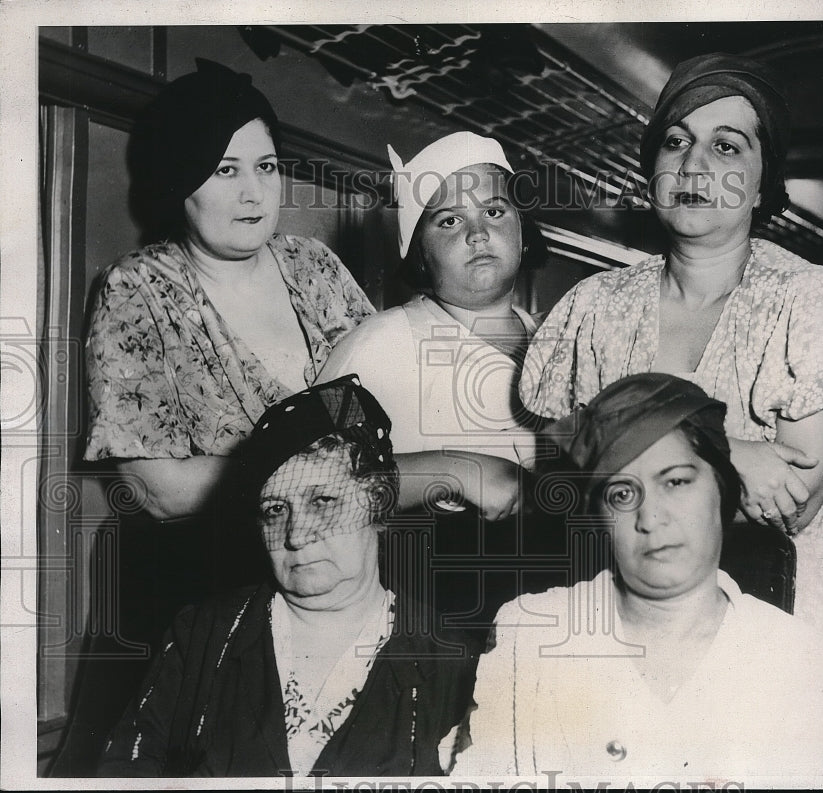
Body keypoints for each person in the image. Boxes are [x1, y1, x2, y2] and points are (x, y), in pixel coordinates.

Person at [518, 53, 823, 774]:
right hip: (628, 614)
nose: (697, 163)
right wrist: (736, 451)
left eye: (729, 145)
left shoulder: (813, 299)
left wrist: (632, 443)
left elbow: (789, 502)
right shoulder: (594, 306)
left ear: (763, 182)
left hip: (786, 614)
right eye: (676, 140)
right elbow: (560, 459)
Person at [60, 59, 377, 776]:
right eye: (225, 169)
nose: (253, 191)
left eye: (265, 166)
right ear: (181, 178)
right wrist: (307, 474)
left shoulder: (316, 268)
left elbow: (390, 417)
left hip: (326, 580)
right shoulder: (139, 286)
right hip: (192, 590)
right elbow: (160, 490)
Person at [453, 374, 823, 778]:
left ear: (722, 489)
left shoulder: (793, 656)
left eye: (675, 482)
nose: (651, 518)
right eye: (621, 494)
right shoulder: (533, 631)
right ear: (598, 517)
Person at [99, 375, 477, 777]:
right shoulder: (202, 636)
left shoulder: (451, 659)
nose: (296, 535)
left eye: (323, 501)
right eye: (275, 510)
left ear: (377, 501)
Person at [315, 132, 550, 644]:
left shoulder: (564, 342)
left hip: (546, 610)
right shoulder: (372, 349)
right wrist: (454, 471)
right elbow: (311, 491)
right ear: (419, 252)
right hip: (423, 616)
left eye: (494, 212)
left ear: (522, 229)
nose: (478, 234)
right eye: (449, 221)